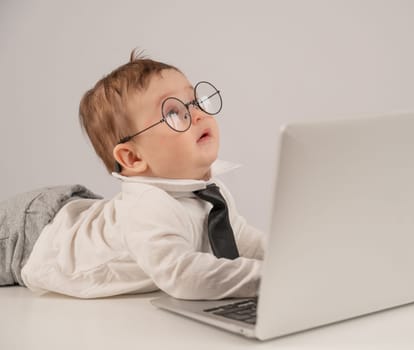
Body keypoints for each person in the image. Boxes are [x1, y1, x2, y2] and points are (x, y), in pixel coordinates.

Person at [16, 50, 266, 299]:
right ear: (133, 158)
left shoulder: (211, 192)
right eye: (172, 113)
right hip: (30, 235)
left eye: (195, 101)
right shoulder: (148, 207)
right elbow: (183, 276)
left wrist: (291, 260)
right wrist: (267, 278)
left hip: (75, 211)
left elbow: (241, 237)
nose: (198, 114)